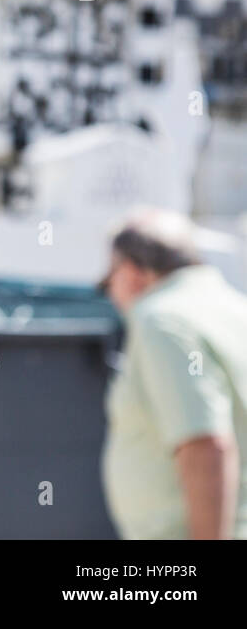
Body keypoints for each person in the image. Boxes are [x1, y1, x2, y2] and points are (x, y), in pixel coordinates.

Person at [99, 208, 247, 539]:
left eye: (108, 280)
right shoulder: (236, 308)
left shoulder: (162, 320)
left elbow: (206, 445)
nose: (110, 294)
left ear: (132, 272)